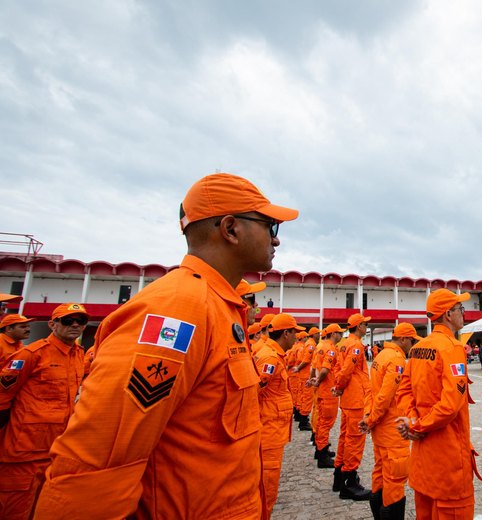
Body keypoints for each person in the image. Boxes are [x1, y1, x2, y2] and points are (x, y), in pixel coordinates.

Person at [34, 173, 299, 519]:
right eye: (270, 226)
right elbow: (98, 463)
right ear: (231, 229)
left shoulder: (218, 306)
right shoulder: (177, 310)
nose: (276, 241)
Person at [395, 288, 480, 519]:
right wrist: (417, 425)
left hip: (423, 463)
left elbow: (403, 390)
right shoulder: (451, 348)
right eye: (460, 309)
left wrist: (413, 420)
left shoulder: (417, 349)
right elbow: (451, 406)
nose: (464, 313)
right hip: (448, 461)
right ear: (447, 314)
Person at [0, 303, 88, 520]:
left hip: (56, 450)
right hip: (23, 453)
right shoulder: (31, 354)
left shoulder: (78, 354)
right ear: (52, 324)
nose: (75, 325)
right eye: (68, 320)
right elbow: (2, 396)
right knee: (15, 511)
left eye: (81, 321)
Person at [362, 322, 421, 520]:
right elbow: (385, 398)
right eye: (411, 341)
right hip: (392, 431)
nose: (412, 345)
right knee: (395, 481)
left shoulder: (380, 356)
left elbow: (371, 391)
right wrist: (371, 419)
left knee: (379, 474)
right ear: (403, 339)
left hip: (381, 430)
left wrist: (368, 416)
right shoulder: (397, 360)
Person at [254, 313, 304, 516]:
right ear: (286, 333)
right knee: (266, 490)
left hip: (270, 428)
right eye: (295, 333)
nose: (297, 338)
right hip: (268, 432)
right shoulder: (269, 359)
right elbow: (253, 393)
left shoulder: (272, 355)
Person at [332, 313, 373, 500]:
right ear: (358, 327)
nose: (366, 327)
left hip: (348, 397)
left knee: (345, 437)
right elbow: (347, 370)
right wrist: (339, 386)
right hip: (355, 397)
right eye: (364, 324)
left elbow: (337, 369)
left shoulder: (343, 344)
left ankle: (339, 476)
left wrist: (339, 387)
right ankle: (350, 482)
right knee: (355, 439)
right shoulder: (356, 345)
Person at [310, 323, 344, 469]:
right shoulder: (330, 349)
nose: (341, 336)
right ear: (333, 334)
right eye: (339, 333)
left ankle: (320, 450)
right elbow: (325, 370)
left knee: (321, 422)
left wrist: (313, 380)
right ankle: (322, 455)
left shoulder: (320, 347)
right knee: (326, 423)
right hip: (327, 391)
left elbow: (314, 367)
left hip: (322, 391)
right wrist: (318, 381)